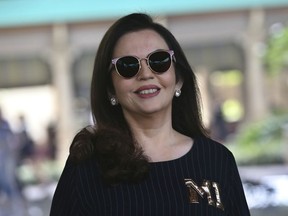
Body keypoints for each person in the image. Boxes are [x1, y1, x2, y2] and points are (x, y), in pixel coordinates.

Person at [50, 13, 250, 215]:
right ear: (111, 89)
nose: (146, 74)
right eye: (128, 65)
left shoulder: (217, 160)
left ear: (178, 79)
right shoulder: (87, 167)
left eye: (159, 60)